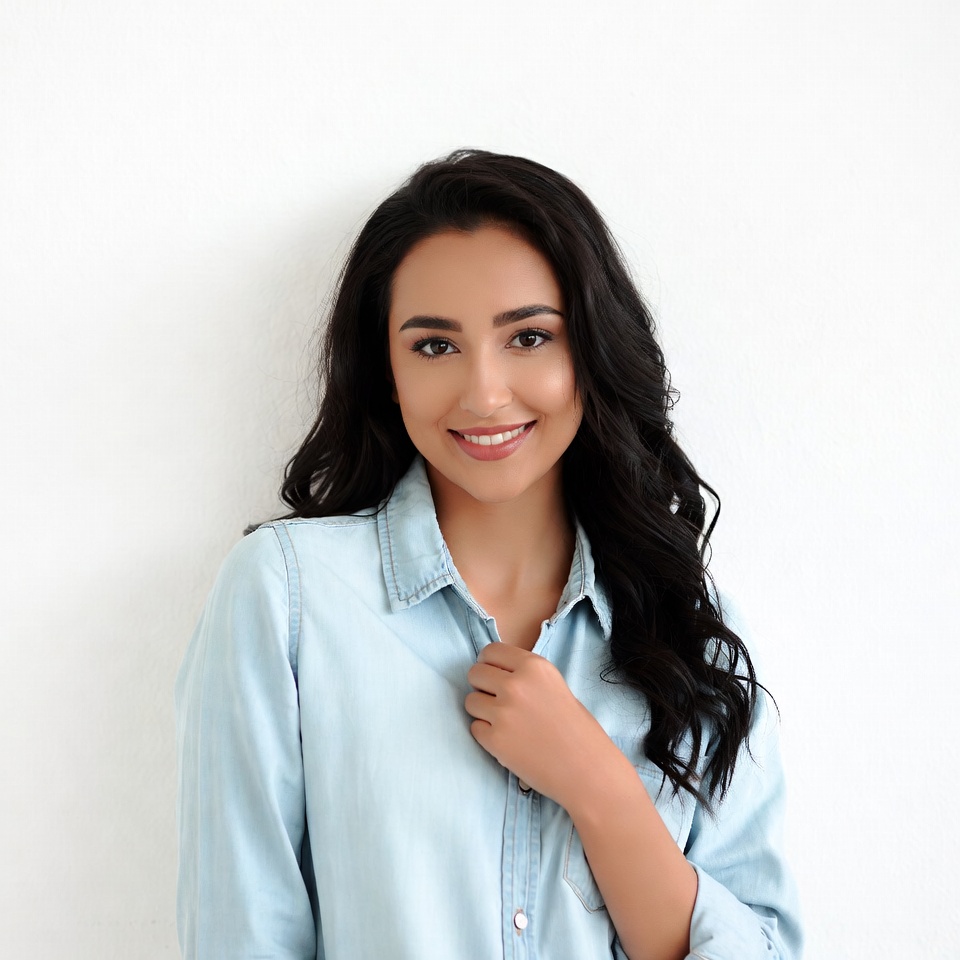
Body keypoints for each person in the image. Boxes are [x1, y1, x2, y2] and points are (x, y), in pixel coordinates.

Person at [175, 149, 803, 960]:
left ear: (590, 353)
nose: (484, 393)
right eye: (435, 346)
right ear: (388, 373)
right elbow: (241, 938)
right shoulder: (287, 599)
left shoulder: (690, 631)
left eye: (530, 337)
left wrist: (599, 786)